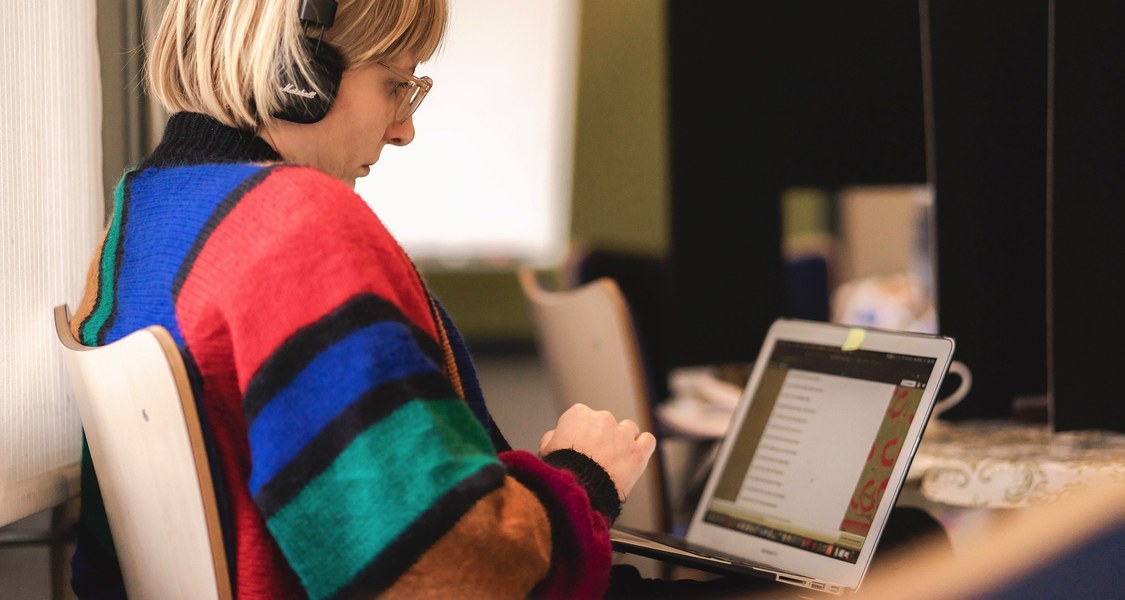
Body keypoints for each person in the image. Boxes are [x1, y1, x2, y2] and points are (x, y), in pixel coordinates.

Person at [69, 0, 658, 598]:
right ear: (298, 72)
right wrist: (582, 478)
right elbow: (446, 570)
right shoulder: (295, 230)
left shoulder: (137, 222)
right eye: (395, 85)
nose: (403, 130)